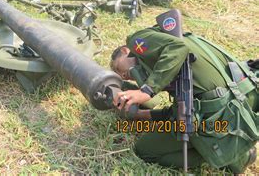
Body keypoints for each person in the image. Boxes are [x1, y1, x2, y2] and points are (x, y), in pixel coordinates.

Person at [110, 25, 258, 173]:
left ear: (124, 51)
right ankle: (232, 147)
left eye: (118, 68)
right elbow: (182, 110)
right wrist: (139, 115)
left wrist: (147, 90)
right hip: (246, 94)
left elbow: (177, 48)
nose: (123, 75)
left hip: (224, 111)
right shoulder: (169, 52)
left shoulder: (136, 40)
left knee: (144, 150)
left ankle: (237, 154)